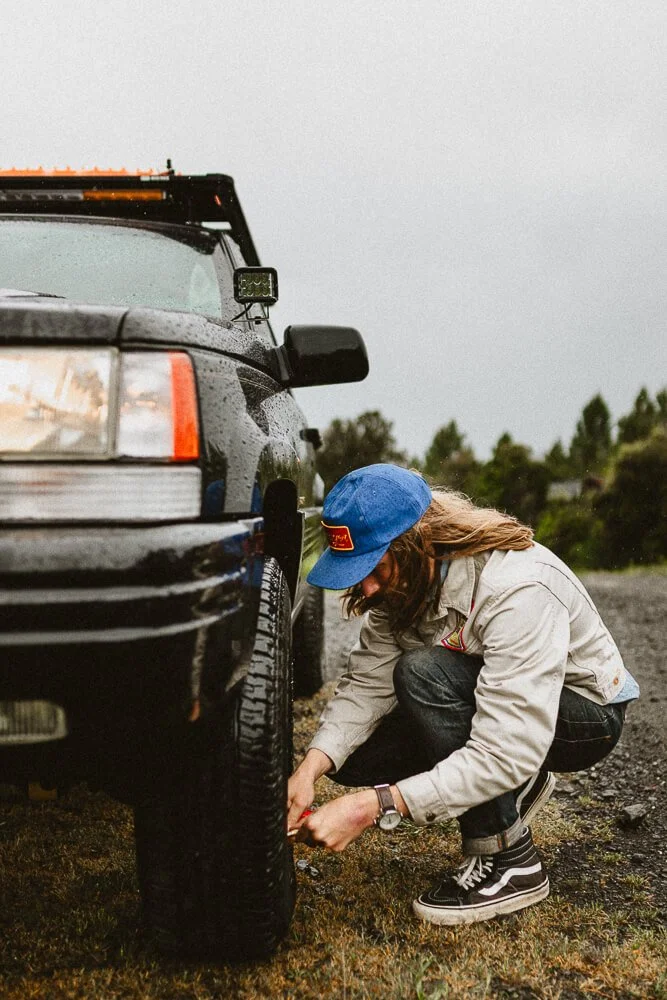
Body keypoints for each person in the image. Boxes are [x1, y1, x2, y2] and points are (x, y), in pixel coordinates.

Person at [287, 464, 639, 926]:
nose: (365, 588)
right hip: (505, 704)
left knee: (423, 674)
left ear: (413, 546)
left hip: (585, 714)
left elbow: (507, 748)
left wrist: (374, 806)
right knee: (351, 756)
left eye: (374, 566)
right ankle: (513, 792)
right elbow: (366, 686)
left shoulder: (517, 587)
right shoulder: (403, 587)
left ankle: (510, 860)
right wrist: (309, 768)